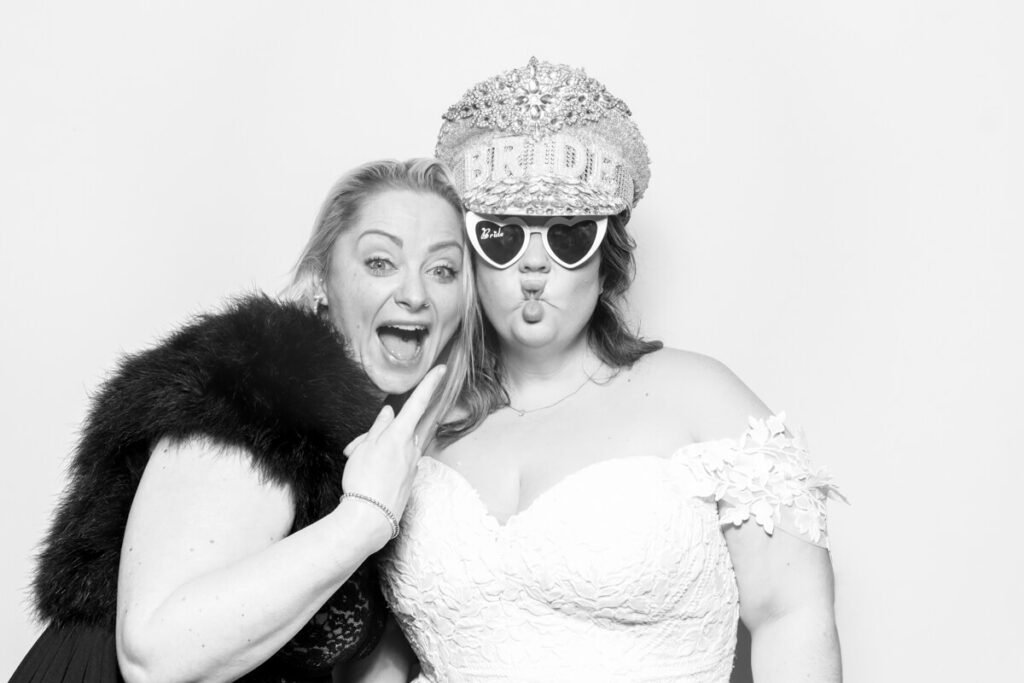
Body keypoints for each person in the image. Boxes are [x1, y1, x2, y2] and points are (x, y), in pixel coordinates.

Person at [371, 59, 845, 682]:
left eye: (568, 238)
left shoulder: (701, 399)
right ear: (469, 256)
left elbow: (792, 615)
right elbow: (380, 655)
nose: (534, 267)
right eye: (502, 237)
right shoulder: (414, 422)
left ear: (607, 256)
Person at [12, 158, 474, 683]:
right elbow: (154, 658)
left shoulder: (385, 439)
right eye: (380, 262)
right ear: (321, 280)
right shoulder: (255, 387)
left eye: (443, 270)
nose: (415, 293)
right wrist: (364, 521)